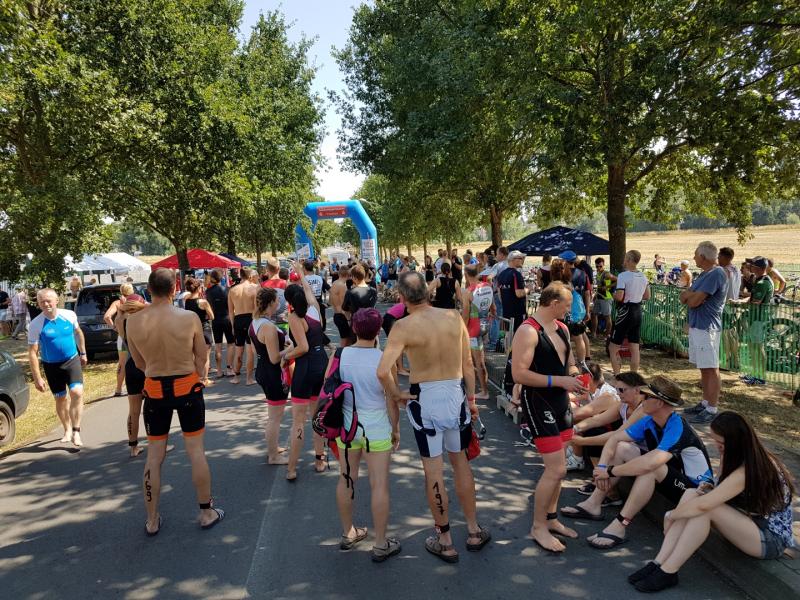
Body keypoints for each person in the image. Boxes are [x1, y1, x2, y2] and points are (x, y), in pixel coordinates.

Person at [377, 271, 490, 563]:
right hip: (455, 394)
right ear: (428, 292)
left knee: (434, 470)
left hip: (424, 397)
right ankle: (474, 530)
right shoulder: (453, 317)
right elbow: (467, 364)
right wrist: (472, 400)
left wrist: (397, 395)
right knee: (461, 462)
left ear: (402, 297)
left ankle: (445, 539)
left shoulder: (402, 326)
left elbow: (383, 371)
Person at [629, 411, 797, 592]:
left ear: (736, 441)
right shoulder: (735, 455)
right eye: (714, 440)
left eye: (721, 443)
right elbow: (721, 489)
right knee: (692, 493)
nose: (717, 446)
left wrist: (671, 515)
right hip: (749, 521)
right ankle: (658, 562)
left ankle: (669, 571)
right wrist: (709, 487)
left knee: (706, 509)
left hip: (770, 539)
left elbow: (705, 505)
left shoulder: (748, 469)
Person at [126, 268, 224, 535]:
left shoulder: (133, 322)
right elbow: (201, 356)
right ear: (173, 289)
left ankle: (152, 519)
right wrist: (195, 374)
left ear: (149, 290)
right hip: (186, 386)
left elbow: (138, 362)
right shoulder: (188, 318)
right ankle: (206, 512)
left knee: (154, 456)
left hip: (155, 389)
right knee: (196, 451)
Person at [566, 376, 712, 550]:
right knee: (622, 447)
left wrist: (610, 471)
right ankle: (593, 504)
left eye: (646, 396)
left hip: (694, 490)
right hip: (671, 477)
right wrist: (602, 467)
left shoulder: (677, 427)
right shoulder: (650, 420)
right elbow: (615, 439)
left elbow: (650, 463)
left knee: (651, 469)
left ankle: (620, 526)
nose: (642, 398)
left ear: (659, 403)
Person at [511, 282, 588, 552]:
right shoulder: (528, 331)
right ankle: (538, 526)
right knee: (556, 469)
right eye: (567, 305)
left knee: (560, 468)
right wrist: (560, 381)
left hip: (560, 401)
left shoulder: (562, 328)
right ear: (554, 303)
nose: (570, 310)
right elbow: (519, 374)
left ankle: (551, 518)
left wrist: (575, 377)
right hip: (538, 401)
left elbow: (569, 364)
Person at [332, 308, 402, 561]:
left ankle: (348, 532)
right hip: (377, 427)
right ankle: (381, 543)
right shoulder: (383, 359)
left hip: (347, 425)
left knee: (346, 478)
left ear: (354, 328)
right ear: (379, 331)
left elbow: (329, 388)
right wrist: (396, 429)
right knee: (379, 484)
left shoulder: (340, 354)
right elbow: (392, 399)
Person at [281, 266, 329, 480]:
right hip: (321, 365)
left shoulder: (294, 317)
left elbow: (302, 347)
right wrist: (300, 272)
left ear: (290, 302)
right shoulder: (315, 309)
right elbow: (309, 290)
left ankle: (291, 468)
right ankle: (320, 459)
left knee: (298, 421)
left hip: (306, 367)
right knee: (317, 416)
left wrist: (285, 356)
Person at [28, 288, 88, 447]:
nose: (46, 304)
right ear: (38, 304)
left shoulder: (69, 315)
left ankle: (76, 430)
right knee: (61, 398)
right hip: (51, 366)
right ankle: (67, 429)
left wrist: (83, 352)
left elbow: (78, 333)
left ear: (56, 301)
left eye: (48, 301)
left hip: (72, 360)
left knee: (77, 392)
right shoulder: (35, 324)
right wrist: (37, 378)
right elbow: (32, 352)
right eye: (42, 302)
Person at [570, 371, 648, 486]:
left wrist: (582, 441)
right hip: (631, 447)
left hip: (645, 452)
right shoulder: (623, 404)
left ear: (637, 390)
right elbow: (597, 420)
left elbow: (618, 435)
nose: (618, 393)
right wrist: (575, 429)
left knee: (614, 444)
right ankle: (601, 483)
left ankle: (606, 488)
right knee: (595, 432)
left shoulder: (644, 409)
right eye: (616, 390)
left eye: (621, 390)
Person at [680, 242, 728, 424]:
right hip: (698, 325)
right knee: (704, 367)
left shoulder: (716, 273)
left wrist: (690, 296)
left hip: (707, 327)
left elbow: (692, 301)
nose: (693, 258)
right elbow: (684, 296)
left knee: (711, 367)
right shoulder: (704, 274)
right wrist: (690, 296)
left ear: (703, 257)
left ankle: (712, 408)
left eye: (695, 255)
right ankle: (705, 402)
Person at [250, 287, 291, 465]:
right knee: (275, 417)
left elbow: (256, 350)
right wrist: (290, 348)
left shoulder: (256, 322)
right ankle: (273, 455)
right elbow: (274, 358)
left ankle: (273, 447)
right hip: (272, 374)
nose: (279, 302)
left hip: (263, 370)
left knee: (273, 415)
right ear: (271, 303)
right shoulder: (267, 326)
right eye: (277, 300)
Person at [564, 361, 621, 472]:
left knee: (574, 418)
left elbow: (582, 413)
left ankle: (577, 459)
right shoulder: (594, 388)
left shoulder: (607, 395)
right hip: (604, 426)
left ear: (588, 377)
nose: (577, 379)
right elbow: (579, 398)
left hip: (610, 432)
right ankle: (572, 447)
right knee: (570, 411)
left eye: (579, 376)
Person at [116, 294, 148, 457]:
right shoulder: (145, 320)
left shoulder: (121, 321)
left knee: (134, 411)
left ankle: (133, 447)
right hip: (147, 365)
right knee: (152, 407)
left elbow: (120, 314)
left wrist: (122, 308)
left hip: (131, 366)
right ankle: (157, 443)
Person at [609, 250, 650, 374]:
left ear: (629, 260)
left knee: (613, 347)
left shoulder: (623, 276)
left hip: (626, 311)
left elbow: (619, 297)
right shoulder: (643, 276)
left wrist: (612, 294)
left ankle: (617, 376)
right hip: (638, 310)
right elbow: (647, 296)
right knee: (634, 347)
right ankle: (633, 376)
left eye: (625, 258)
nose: (623, 260)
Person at [462, 264, 495, 400]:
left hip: (473, 329)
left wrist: (462, 331)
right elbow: (493, 308)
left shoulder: (468, 292)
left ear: (466, 275)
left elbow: (465, 315)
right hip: (485, 325)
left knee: (478, 362)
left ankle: (484, 392)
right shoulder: (488, 286)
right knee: (480, 360)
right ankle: (482, 388)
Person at [743, 257, 773, 384]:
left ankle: (760, 376)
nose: (751, 268)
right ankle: (754, 373)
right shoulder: (759, 280)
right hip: (755, 318)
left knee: (758, 347)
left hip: (758, 319)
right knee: (753, 347)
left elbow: (756, 302)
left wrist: (740, 304)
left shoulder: (762, 283)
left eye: (753, 266)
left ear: (759, 268)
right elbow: (752, 298)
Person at [227, 268, 258, 385]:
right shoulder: (254, 288)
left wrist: (233, 325)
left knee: (238, 350)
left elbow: (231, 311)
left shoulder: (232, 290)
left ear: (240, 275)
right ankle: (249, 379)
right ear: (250, 276)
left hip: (238, 320)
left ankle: (236, 377)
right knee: (250, 351)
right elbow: (256, 308)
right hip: (251, 319)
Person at [184, 278, 215, 386]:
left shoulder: (186, 300)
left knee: (195, 355)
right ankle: (205, 379)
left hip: (192, 330)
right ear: (198, 288)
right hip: (204, 329)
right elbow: (212, 316)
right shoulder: (203, 302)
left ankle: (196, 378)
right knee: (205, 356)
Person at [206, 269, 234, 378]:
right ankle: (229, 368)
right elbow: (231, 306)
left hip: (215, 320)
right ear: (221, 277)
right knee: (230, 344)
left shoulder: (208, 292)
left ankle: (218, 371)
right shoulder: (227, 289)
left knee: (218, 345)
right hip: (227, 318)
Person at [718, 248, 741, 370]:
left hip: (725, 305)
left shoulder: (724, 271)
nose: (718, 259)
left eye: (719, 257)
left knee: (725, 335)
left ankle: (726, 362)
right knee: (732, 334)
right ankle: (735, 361)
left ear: (725, 257)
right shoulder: (736, 269)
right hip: (733, 305)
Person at [342, 264, 378, 343]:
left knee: (356, 345)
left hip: (356, 323)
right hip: (370, 323)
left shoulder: (350, 292)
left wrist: (349, 320)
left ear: (354, 277)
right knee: (371, 345)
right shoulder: (373, 291)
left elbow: (345, 309)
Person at [496, 250, 527, 332]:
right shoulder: (516, 274)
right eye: (520, 258)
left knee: (508, 335)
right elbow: (519, 294)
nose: (522, 260)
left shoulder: (501, 274)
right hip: (518, 313)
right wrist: (529, 289)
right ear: (513, 260)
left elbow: (500, 295)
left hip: (506, 312)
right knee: (518, 334)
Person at [591, 257, 616, 338]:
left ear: (603, 265)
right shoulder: (598, 273)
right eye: (597, 266)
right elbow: (599, 286)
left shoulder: (606, 274)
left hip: (606, 298)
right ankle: (594, 333)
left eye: (600, 266)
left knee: (607, 317)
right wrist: (595, 295)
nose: (598, 268)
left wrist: (607, 286)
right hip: (599, 297)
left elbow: (617, 280)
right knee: (594, 314)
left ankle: (606, 335)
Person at [330, 265, 352, 346]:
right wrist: (349, 319)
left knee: (347, 340)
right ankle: (339, 354)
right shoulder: (342, 286)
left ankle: (343, 353)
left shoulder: (335, 283)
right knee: (345, 340)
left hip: (336, 314)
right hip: (342, 316)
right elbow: (344, 306)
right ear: (348, 275)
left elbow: (330, 301)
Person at [303, 260, 327, 332]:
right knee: (321, 326)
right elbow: (330, 289)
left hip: (308, 306)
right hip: (319, 303)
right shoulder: (320, 278)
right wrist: (328, 303)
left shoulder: (303, 279)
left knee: (311, 328)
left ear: (304, 268)